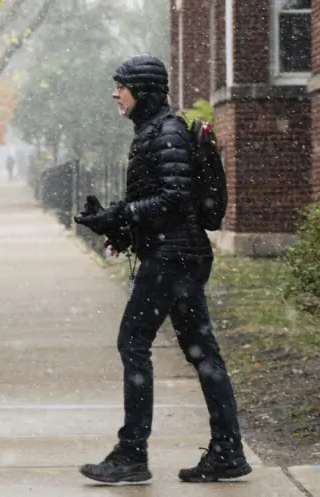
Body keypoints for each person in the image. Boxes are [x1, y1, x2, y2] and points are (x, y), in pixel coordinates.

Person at [74, 54, 252, 484]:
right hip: (180, 256)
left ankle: (132, 454)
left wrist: (121, 215)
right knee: (202, 353)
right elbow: (165, 201)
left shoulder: (166, 132)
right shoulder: (155, 131)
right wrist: (116, 218)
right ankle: (227, 451)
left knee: (133, 342)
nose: (116, 94)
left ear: (144, 91)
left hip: (172, 259)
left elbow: (174, 199)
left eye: (122, 86)